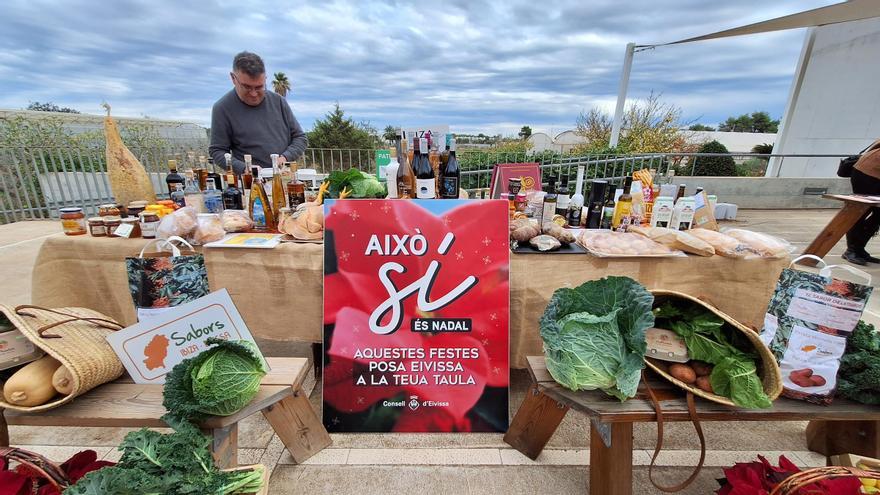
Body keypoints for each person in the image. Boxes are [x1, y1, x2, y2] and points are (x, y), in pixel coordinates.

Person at [209, 51, 307, 175]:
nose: (254, 94)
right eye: (247, 87)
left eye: (259, 87)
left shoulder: (279, 102)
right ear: (233, 78)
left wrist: (284, 158)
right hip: (250, 183)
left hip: (284, 178)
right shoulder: (222, 108)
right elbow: (217, 150)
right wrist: (243, 167)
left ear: (265, 79)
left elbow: (300, 138)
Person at [843, 138, 880, 265]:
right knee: (860, 212)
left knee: (878, 214)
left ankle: (859, 248)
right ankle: (851, 250)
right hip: (866, 172)